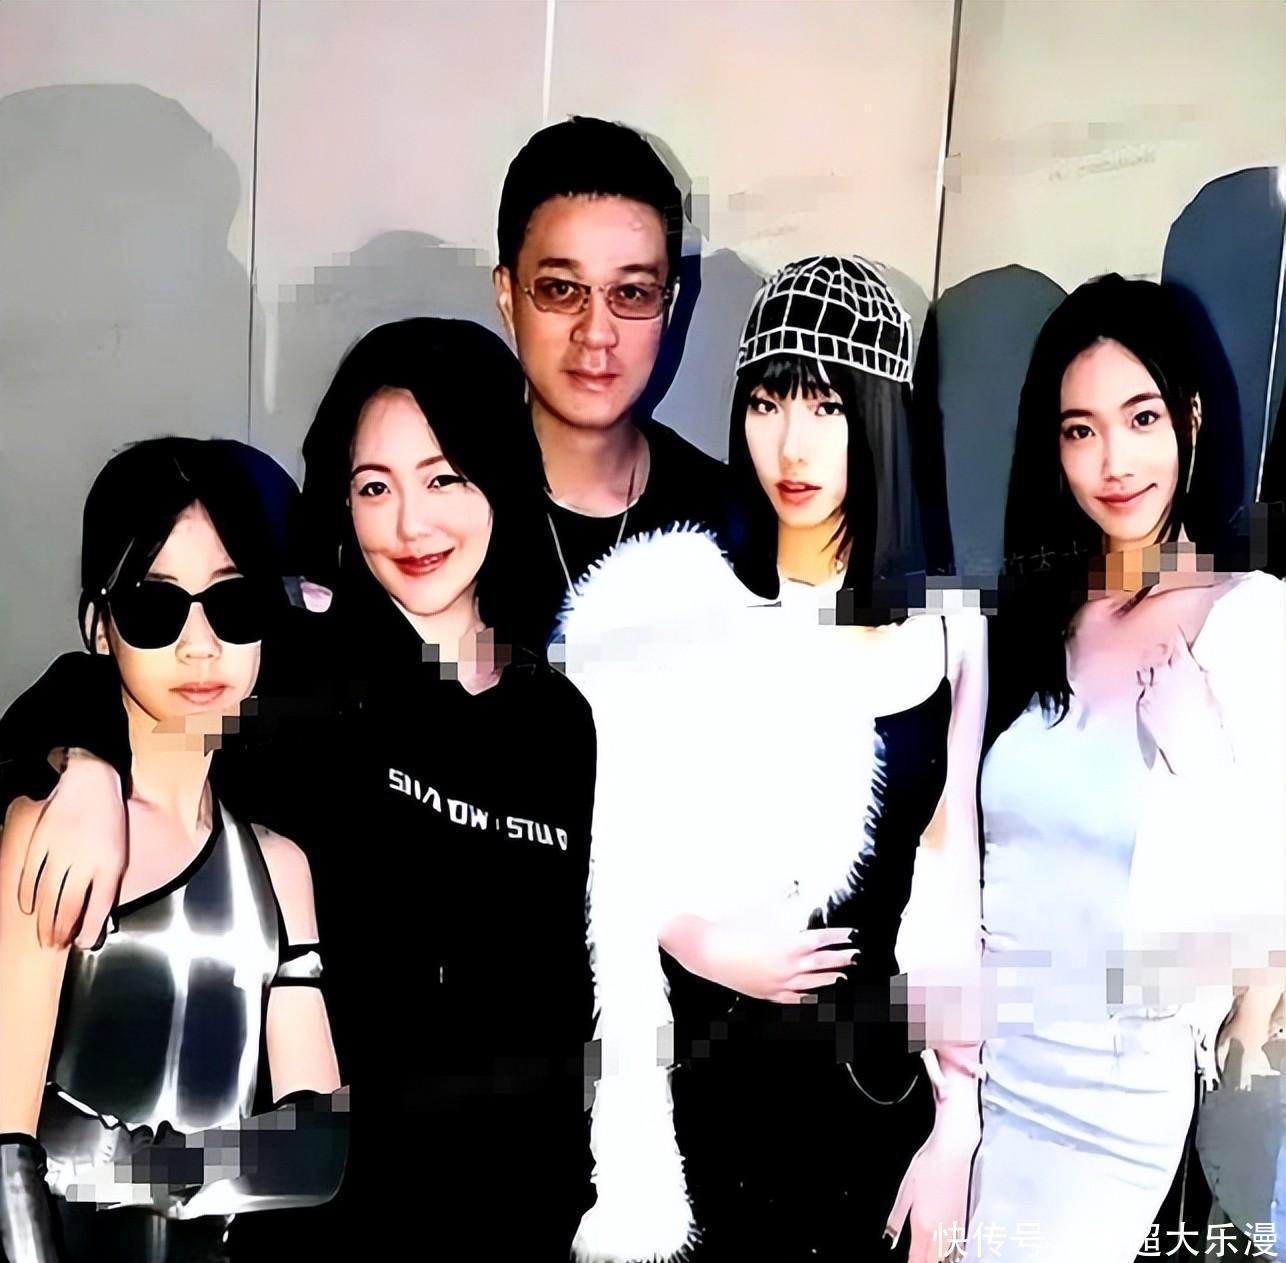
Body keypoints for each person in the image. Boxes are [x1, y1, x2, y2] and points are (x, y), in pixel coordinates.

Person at [0, 320, 599, 1258]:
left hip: (524, 1219)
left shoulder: (562, 722)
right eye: (374, 486)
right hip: (324, 1227)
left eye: (445, 478)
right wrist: (78, 763)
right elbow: (114, 670)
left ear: (500, 474)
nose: (411, 524)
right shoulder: (295, 668)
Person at [562, 257, 984, 1263]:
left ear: (878, 418)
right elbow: (604, 854)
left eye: (826, 407)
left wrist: (957, 1128)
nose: (790, 444)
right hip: (709, 1081)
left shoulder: (948, 629)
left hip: (871, 1092)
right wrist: (694, 939)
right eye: (764, 403)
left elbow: (947, 881)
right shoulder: (679, 601)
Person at [970, 275, 1286, 1263]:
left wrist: (1202, 761)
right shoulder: (1032, 618)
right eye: (1080, 429)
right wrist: (947, 1109)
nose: (1113, 461)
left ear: (1190, 419)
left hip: (1119, 1097)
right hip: (984, 1077)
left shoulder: (1250, 619)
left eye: (1140, 418)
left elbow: (1268, 911)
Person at [0, 438, 345, 1263]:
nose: (198, 645)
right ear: (99, 626)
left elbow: (319, 1146)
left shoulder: (280, 867)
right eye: (155, 608)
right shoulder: (50, 827)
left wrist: (126, 1162)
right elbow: (6, 1142)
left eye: (233, 604)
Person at [493, 115, 730, 647]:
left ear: (669, 307)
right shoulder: (437, 511)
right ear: (508, 298)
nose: (597, 333)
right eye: (560, 289)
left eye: (631, 293)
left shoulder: (732, 523)